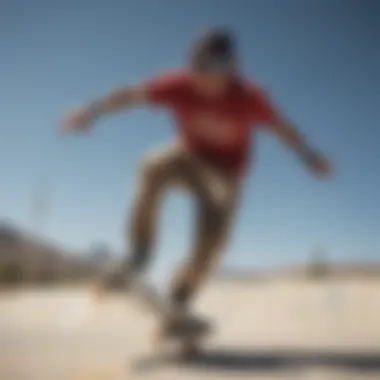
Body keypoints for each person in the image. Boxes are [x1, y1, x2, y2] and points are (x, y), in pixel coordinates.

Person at [60, 27, 331, 336]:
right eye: (197, 65)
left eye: (214, 68)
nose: (203, 76)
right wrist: (90, 111)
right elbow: (130, 95)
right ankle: (139, 252)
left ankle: (179, 299)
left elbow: (283, 128)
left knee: (211, 240)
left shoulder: (249, 97)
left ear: (232, 67)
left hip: (225, 175)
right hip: (187, 157)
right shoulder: (178, 84)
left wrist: (310, 157)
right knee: (152, 164)